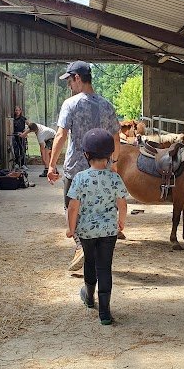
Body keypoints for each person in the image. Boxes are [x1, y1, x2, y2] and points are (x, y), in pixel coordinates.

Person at [47, 61, 122, 270]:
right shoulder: (107, 105)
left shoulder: (70, 104)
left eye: (69, 81)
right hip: (102, 168)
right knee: (100, 207)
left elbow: (61, 135)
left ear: (77, 78)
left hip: (76, 168)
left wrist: (52, 165)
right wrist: (113, 164)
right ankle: (97, 249)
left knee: (71, 207)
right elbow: (116, 137)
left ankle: (81, 246)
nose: (69, 86)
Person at [66, 128, 127, 325]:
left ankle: (89, 297)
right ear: (110, 155)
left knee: (90, 262)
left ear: (86, 154)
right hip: (109, 231)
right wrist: (122, 222)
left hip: (86, 231)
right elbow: (122, 203)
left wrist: (71, 228)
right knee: (105, 267)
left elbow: (73, 207)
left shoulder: (80, 178)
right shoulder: (114, 177)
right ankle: (105, 313)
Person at [11, 106, 28, 170]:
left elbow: (30, 125)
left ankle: (23, 164)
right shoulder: (13, 119)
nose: (17, 112)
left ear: (20, 111)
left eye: (18, 110)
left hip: (21, 136)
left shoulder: (23, 118)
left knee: (22, 149)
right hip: (15, 135)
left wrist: (25, 132)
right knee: (16, 150)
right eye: (16, 110)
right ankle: (17, 163)